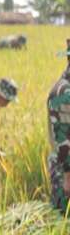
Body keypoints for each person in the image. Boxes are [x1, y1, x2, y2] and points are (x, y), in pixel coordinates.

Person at [47, 40, 70, 214]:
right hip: (65, 167)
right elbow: (63, 140)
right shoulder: (63, 93)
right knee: (63, 220)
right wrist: (68, 175)